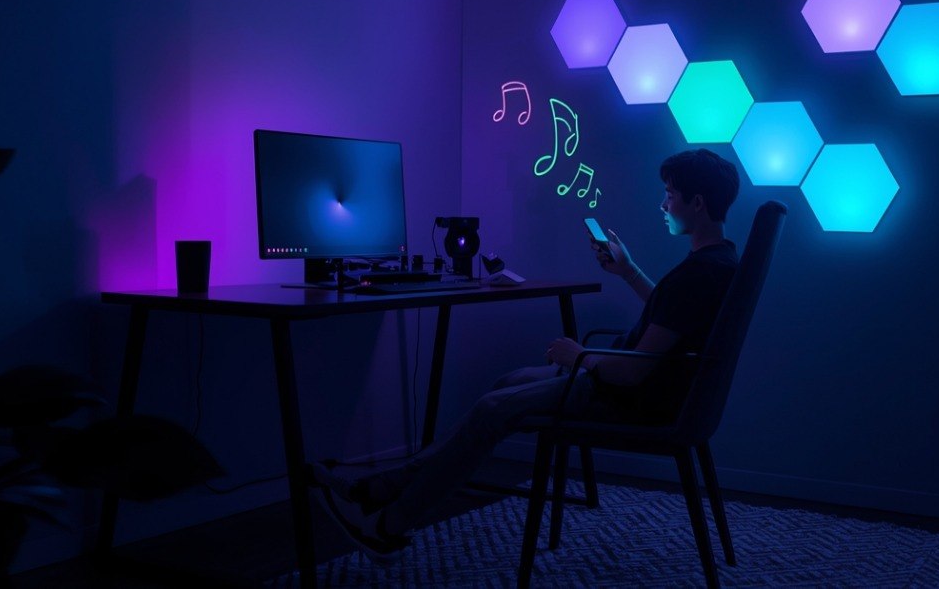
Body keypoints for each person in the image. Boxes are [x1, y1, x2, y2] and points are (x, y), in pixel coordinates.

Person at [309, 149, 742, 561]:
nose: (662, 203)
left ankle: (387, 526)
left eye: (670, 194)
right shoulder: (719, 262)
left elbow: (630, 373)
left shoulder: (697, 275)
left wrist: (580, 357)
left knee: (496, 408)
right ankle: (378, 489)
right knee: (508, 384)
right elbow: (670, 316)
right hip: (638, 388)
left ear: (697, 203)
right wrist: (625, 269)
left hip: (630, 398)